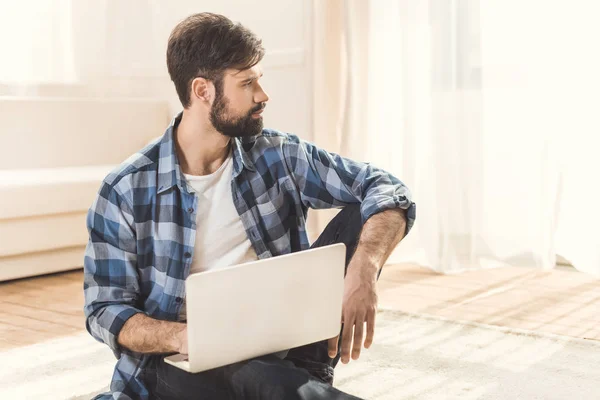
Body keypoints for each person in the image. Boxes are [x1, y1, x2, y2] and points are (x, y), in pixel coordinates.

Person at [83, 12, 416, 400]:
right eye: (247, 82)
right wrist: (185, 336)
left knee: (365, 212)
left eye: (259, 79)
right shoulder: (126, 189)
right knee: (264, 380)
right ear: (202, 91)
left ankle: (300, 376)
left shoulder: (278, 155)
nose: (263, 94)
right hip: (185, 362)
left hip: (288, 342)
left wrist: (364, 269)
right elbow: (104, 308)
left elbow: (388, 188)